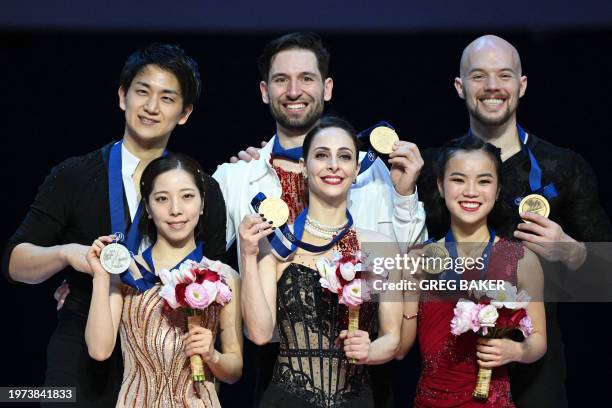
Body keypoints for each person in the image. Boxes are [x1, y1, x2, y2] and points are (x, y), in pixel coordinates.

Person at [2, 43, 227, 407]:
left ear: (184, 113)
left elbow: (217, 276)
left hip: (164, 356)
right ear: (123, 96)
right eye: (142, 92)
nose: (151, 107)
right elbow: (15, 262)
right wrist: (67, 255)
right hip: (82, 343)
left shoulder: (201, 187)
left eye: (167, 98)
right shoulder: (74, 175)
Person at [213, 32, 426, 406]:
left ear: (327, 87)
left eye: (307, 78)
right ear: (265, 91)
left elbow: (410, 266)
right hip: (279, 372)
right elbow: (192, 247)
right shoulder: (237, 177)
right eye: (282, 80)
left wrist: (405, 196)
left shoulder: (376, 173)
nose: (294, 91)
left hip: (367, 376)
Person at [417, 35, 612, 407]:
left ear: (521, 86)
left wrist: (573, 253)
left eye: (504, 75)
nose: (492, 87)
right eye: (479, 76)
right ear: (460, 87)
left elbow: (607, 277)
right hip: (452, 365)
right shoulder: (431, 170)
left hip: (534, 365)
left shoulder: (563, 167)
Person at [240, 116, 403, 408]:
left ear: (356, 169)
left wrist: (370, 350)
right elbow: (260, 333)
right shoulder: (280, 244)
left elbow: (393, 339)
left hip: (357, 399)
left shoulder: (381, 245)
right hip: (287, 399)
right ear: (304, 167)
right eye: (321, 155)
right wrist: (249, 255)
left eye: (344, 156)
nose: (333, 165)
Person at [397, 137, 547, 407]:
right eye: (458, 180)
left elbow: (539, 340)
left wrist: (517, 350)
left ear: (498, 190)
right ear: (441, 186)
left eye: (484, 181)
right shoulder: (418, 257)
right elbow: (401, 348)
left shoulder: (522, 259)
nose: (470, 191)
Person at [85, 154, 242, 407]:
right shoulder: (127, 274)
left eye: (187, 196)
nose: (175, 209)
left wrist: (212, 356)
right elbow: (99, 351)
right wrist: (101, 276)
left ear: (202, 203)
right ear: (147, 207)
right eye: (162, 199)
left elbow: (234, 371)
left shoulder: (224, 276)